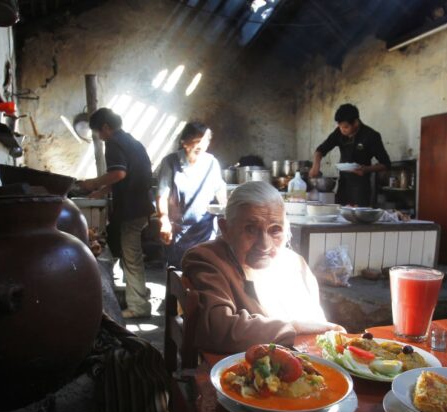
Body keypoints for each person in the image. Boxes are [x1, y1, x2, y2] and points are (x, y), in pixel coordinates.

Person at [182, 181, 344, 354]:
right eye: (250, 229)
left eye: (275, 230)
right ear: (226, 229)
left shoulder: (295, 264)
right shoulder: (207, 259)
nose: (264, 245)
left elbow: (317, 325)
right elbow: (219, 329)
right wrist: (293, 326)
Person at [78, 108, 153, 319]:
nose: (100, 138)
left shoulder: (114, 143)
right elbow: (123, 177)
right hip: (140, 206)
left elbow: (119, 173)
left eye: (98, 133)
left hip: (132, 209)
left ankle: (138, 306)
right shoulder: (131, 141)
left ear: (105, 127)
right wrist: (100, 191)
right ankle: (137, 296)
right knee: (130, 256)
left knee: (132, 258)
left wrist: (93, 182)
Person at [155, 122, 227, 268]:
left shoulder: (211, 162)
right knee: (179, 272)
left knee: (204, 268)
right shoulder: (171, 162)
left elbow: (219, 190)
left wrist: (228, 212)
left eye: (205, 141)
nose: (201, 145)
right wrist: (164, 221)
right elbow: (162, 194)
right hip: (179, 230)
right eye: (197, 141)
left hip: (205, 229)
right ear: (184, 142)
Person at [309, 103, 391, 206]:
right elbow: (320, 150)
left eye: (346, 127)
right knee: (340, 216)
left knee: (358, 218)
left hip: (361, 186)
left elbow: (386, 164)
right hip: (343, 183)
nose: (342, 130)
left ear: (356, 122)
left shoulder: (371, 136)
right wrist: (315, 166)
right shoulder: (339, 132)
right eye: (340, 127)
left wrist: (365, 169)